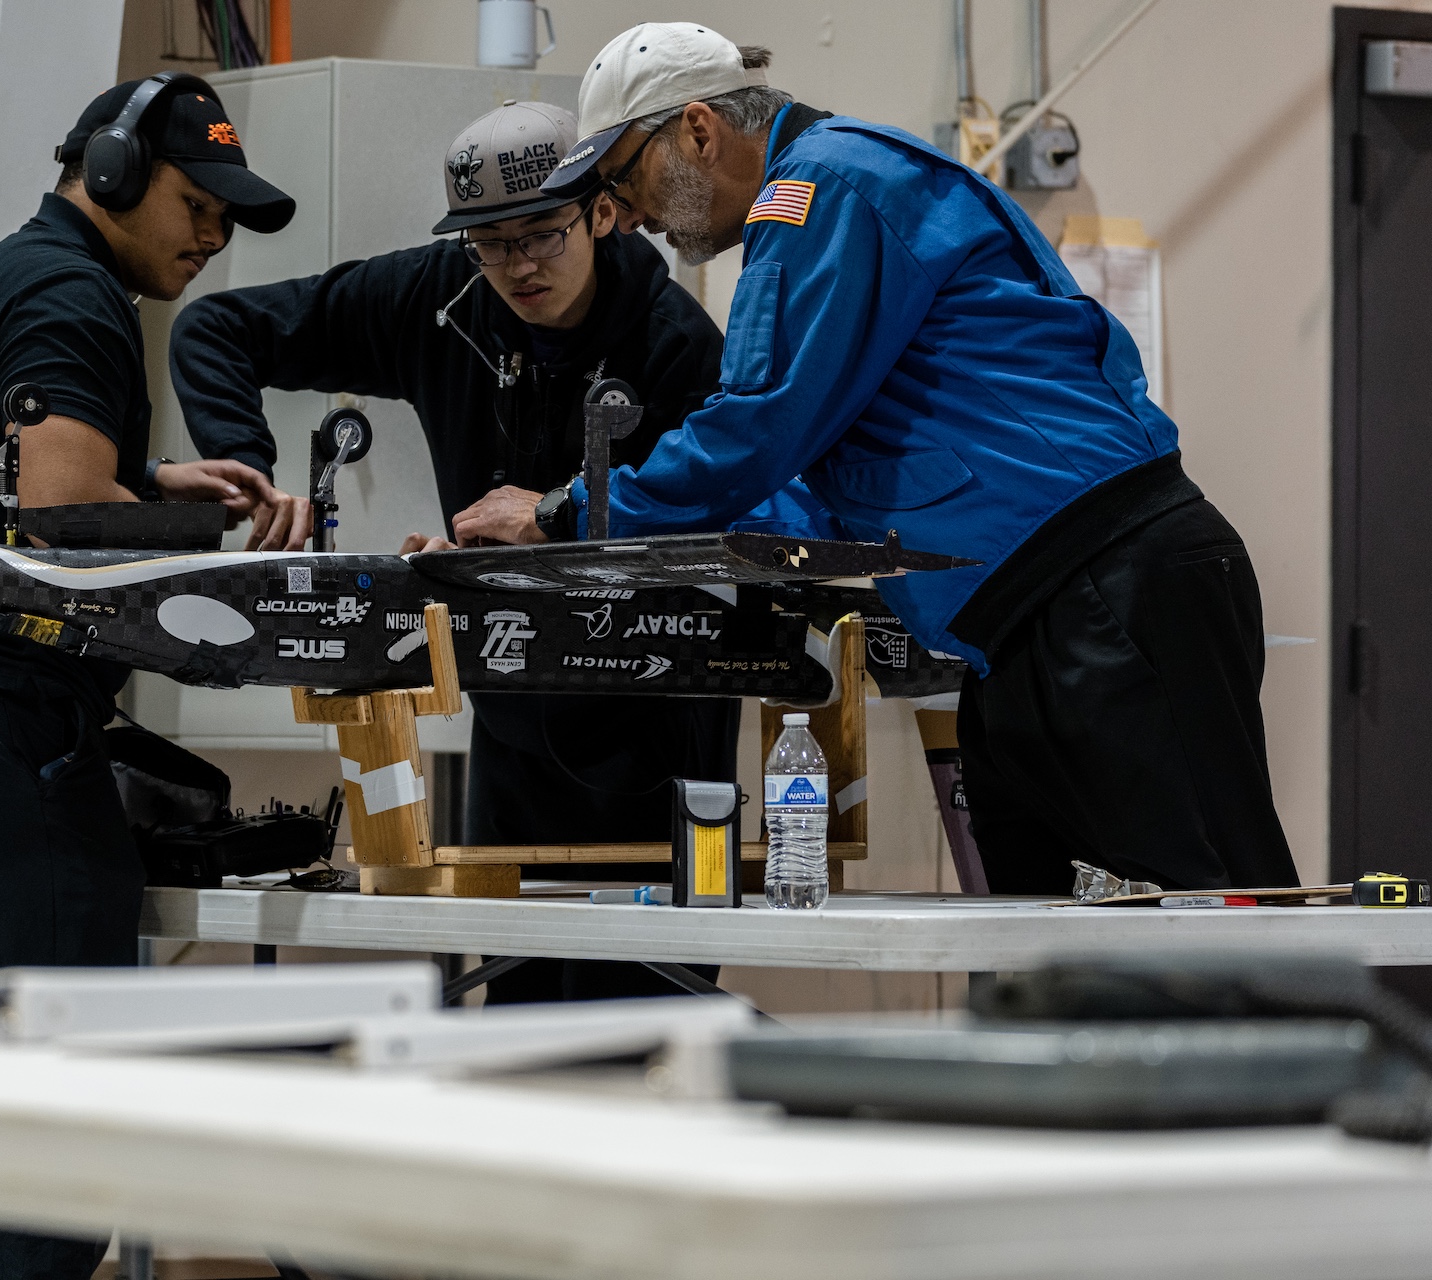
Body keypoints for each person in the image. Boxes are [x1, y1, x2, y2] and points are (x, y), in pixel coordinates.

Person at [521, 22, 1295, 897]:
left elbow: (756, 430)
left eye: (624, 177)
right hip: (1034, 618)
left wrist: (570, 513)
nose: (627, 216)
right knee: (1041, 937)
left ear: (698, 129)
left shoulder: (822, 187)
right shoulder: (840, 182)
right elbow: (833, 482)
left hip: (1101, 589)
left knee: (1216, 921)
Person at [0, 77, 296, 1280]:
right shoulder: (71, 292)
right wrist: (220, 557)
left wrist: (150, 477)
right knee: (47, 1105)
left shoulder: (5, 274)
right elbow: (60, 520)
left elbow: (30, 490)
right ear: (113, 171)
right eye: (197, 205)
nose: (211, 238)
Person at [170, 100, 735, 1002]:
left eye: (541, 236)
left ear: (601, 210)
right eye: (489, 242)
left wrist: (552, 525)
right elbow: (216, 331)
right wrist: (251, 469)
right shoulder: (440, 297)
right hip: (509, 724)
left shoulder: (679, 348)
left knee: (645, 1017)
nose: (516, 267)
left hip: (653, 731)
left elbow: (722, 531)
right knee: (512, 1021)